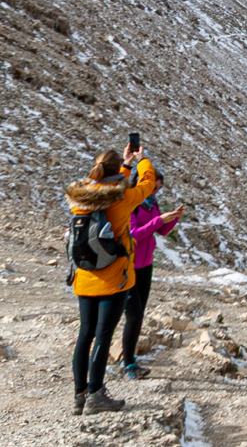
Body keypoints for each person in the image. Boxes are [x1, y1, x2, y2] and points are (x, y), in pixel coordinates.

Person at [66, 145, 156, 416]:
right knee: (104, 335)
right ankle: (97, 394)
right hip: (114, 277)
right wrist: (142, 161)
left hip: (85, 276)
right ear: (116, 170)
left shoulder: (81, 198)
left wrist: (124, 166)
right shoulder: (124, 198)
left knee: (85, 335)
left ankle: (79, 395)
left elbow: (109, 184)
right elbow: (148, 184)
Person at [119, 169, 185, 379]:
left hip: (146, 265)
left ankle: (130, 360)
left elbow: (161, 231)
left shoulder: (151, 203)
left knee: (138, 316)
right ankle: (128, 364)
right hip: (128, 267)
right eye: (153, 187)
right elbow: (133, 234)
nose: (155, 192)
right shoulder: (131, 203)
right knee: (134, 314)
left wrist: (173, 218)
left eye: (158, 188)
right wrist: (159, 220)